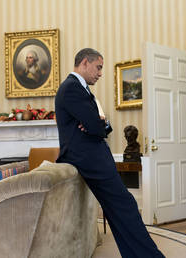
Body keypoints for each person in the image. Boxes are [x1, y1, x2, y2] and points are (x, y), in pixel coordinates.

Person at [55, 48, 164, 258]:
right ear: (85, 62)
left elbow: (101, 124)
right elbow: (96, 127)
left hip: (92, 158)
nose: (100, 73)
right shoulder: (71, 88)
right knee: (127, 207)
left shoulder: (81, 88)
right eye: (98, 67)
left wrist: (99, 123)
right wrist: (98, 124)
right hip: (87, 159)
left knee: (121, 211)